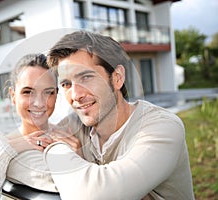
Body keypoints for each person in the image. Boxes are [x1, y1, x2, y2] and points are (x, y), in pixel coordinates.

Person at [43, 30, 195, 199]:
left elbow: (94, 196)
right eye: (66, 84)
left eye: (86, 77)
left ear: (117, 78)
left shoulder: (162, 128)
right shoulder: (74, 123)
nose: (75, 95)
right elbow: (25, 150)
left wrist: (57, 149)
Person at [0, 53, 61, 199]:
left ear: (56, 95)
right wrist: (8, 149)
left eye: (48, 92)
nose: (39, 103)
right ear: (13, 95)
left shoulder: (68, 135)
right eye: (28, 92)